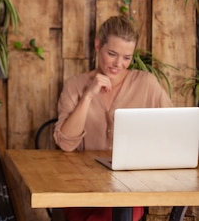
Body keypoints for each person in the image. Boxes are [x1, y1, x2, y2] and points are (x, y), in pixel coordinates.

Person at [53, 15, 173, 221]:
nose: (119, 64)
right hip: (81, 188)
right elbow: (65, 143)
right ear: (98, 45)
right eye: (112, 54)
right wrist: (89, 95)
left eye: (127, 57)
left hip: (127, 190)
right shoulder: (75, 85)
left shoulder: (146, 84)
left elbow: (173, 130)